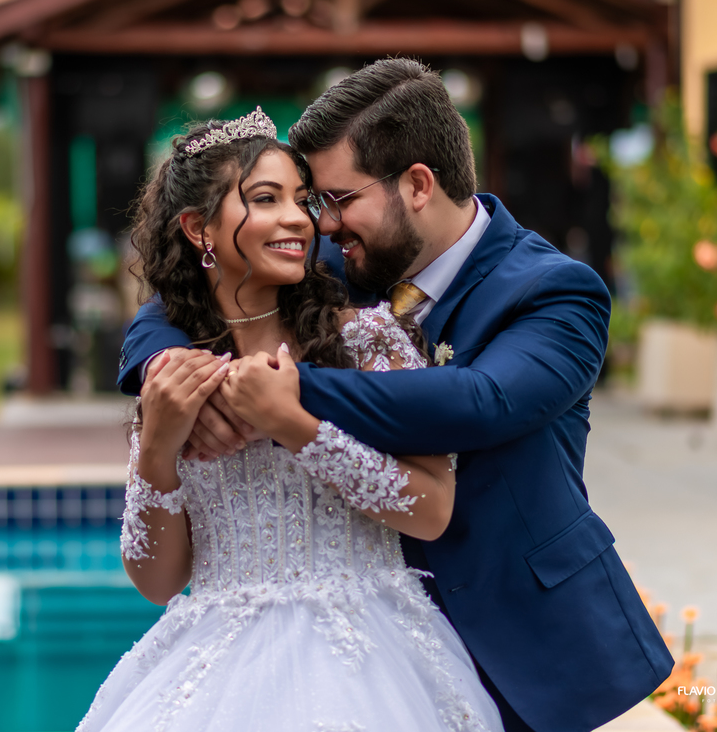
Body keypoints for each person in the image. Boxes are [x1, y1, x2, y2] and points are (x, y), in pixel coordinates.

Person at [118, 60, 675, 732]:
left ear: (416, 185)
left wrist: (280, 395)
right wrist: (167, 382)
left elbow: (480, 401)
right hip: (314, 655)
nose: (317, 223)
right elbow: (188, 301)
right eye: (298, 199)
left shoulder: (555, 290)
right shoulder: (327, 266)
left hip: (514, 633)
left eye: (334, 198)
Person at [78, 109, 505, 732]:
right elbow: (158, 580)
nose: (298, 220)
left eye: (302, 201)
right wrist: (157, 454)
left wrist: (296, 426)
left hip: (375, 658)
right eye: (265, 198)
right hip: (214, 667)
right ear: (199, 228)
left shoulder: (368, 340)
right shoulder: (172, 372)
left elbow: (434, 508)